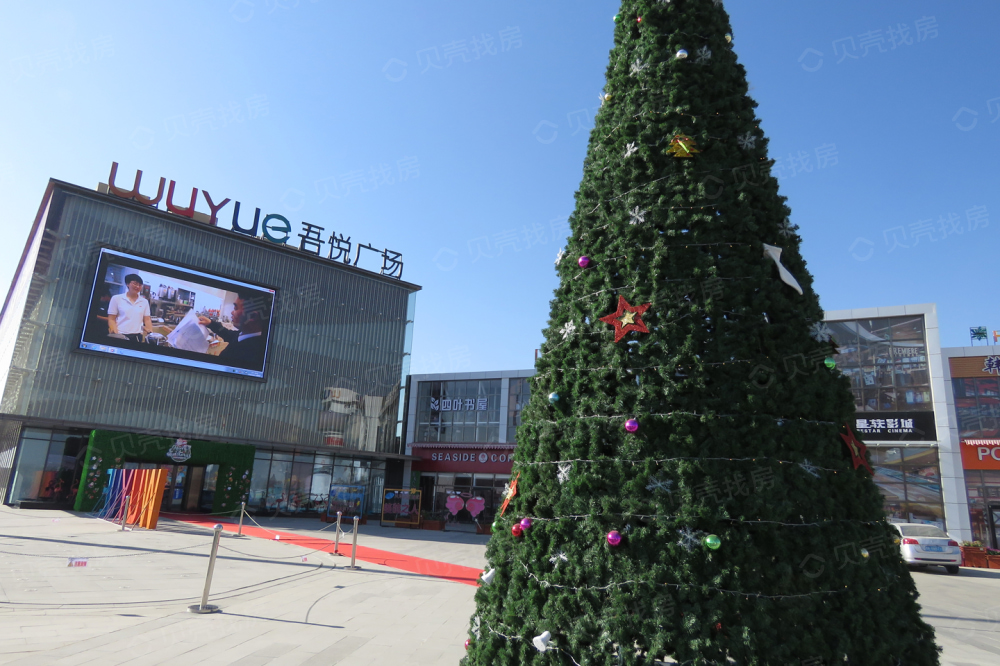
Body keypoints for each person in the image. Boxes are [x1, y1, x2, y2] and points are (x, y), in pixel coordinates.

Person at [198, 290, 270, 369]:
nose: (232, 312)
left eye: (236, 308)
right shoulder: (246, 333)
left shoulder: (248, 355)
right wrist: (211, 323)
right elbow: (230, 335)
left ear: (252, 316)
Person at [107, 273, 152, 342]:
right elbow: (111, 319)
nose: (137, 286)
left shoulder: (144, 301)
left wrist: (150, 334)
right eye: (135, 283)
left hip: (137, 336)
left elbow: (147, 319)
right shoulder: (116, 298)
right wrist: (115, 332)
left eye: (140, 285)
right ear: (127, 284)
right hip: (120, 334)